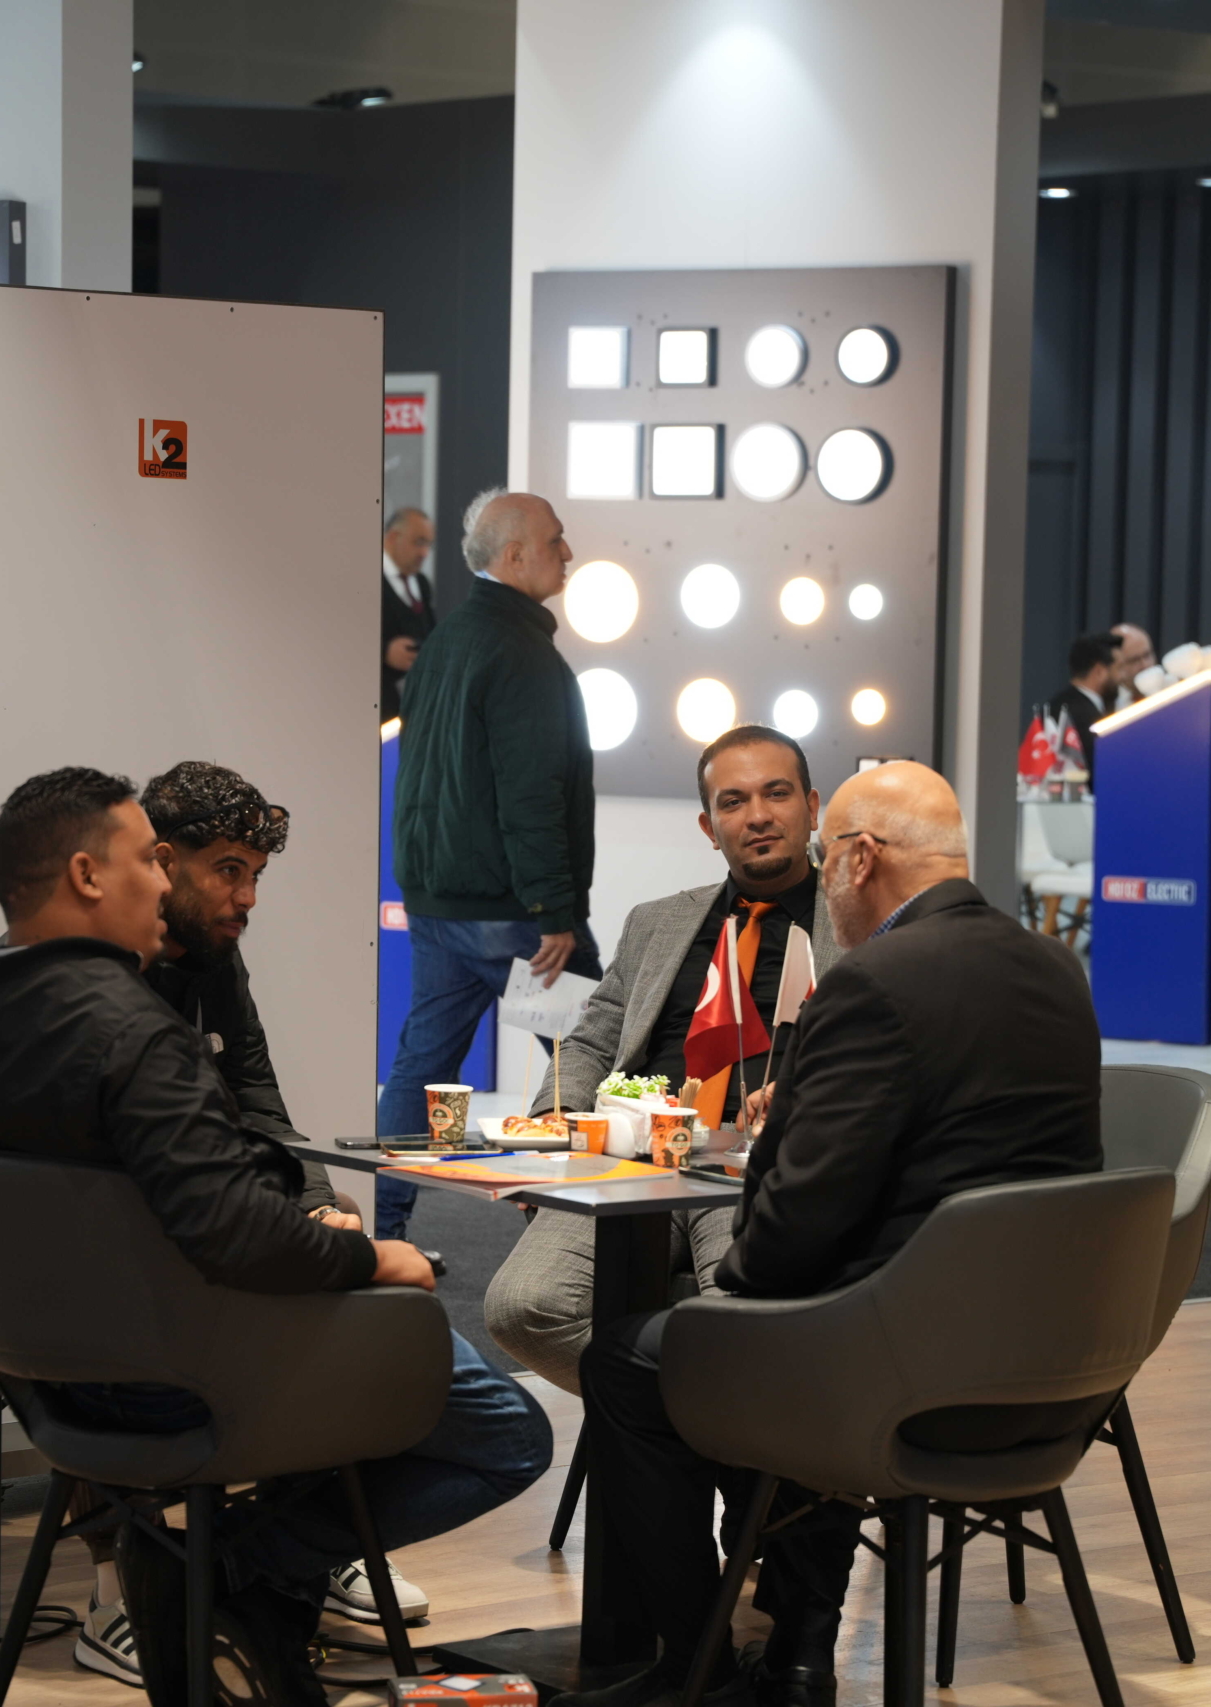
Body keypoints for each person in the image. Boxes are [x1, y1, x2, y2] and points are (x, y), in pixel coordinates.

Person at [0, 767, 552, 1707]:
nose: (163, 878)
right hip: (194, 1368)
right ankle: (240, 1565)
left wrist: (22, 1309)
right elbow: (237, 1236)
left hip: (45, 1386)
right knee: (506, 1429)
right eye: (149, 859)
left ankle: (242, 1588)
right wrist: (372, 1256)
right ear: (89, 874)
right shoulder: (135, 1035)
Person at [557, 762, 1103, 1707]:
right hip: (1055, 1370)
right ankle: (797, 1656)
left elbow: (783, 1239)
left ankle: (698, 1670)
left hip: (900, 1375)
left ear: (857, 859)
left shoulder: (875, 983)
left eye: (822, 849)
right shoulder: (1056, 966)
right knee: (765, 1332)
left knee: (634, 1359)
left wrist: (775, 1154)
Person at [55, 761, 427, 1683]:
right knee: (126, 1285)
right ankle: (116, 1591)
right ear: (161, 859)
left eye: (256, 874)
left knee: (331, 1235)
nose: (247, 898)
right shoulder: (82, 968)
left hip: (195, 1209)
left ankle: (300, 1541)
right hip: (92, 1242)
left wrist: (314, 1205)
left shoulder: (215, 954)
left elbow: (259, 1096)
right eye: (228, 870)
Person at [484, 725, 842, 1395]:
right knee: (522, 1307)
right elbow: (591, 1041)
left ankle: (681, 1425)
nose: (757, 815)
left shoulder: (857, 926)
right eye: (733, 801)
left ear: (812, 807)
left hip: (756, 1170)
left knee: (742, 1326)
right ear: (709, 827)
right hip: (633, 1162)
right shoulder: (657, 923)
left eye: (777, 793)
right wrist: (557, 1116)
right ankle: (675, 1421)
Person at [376, 487, 602, 1241]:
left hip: (441, 902)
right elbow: (530, 793)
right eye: (556, 540)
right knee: (593, 1053)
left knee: (421, 1063)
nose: (568, 553)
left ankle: (380, 1235)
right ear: (514, 555)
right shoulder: (520, 653)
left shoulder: (447, 640)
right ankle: (595, 1238)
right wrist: (554, 911)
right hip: (513, 913)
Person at [382, 506, 436, 721]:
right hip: (379, 706)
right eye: (419, 542)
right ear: (393, 537)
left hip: (415, 707)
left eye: (428, 544)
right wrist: (384, 652)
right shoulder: (366, 580)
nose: (425, 553)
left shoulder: (421, 583)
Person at [1047, 632, 1117, 786]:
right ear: (1099, 672)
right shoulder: (1091, 720)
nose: (1120, 677)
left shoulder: (1054, 705)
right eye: (1116, 669)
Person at [1107, 621, 1157, 706]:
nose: (1144, 665)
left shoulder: (1173, 689)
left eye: (1147, 655)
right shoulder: (1107, 706)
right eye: (1134, 660)